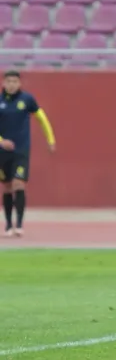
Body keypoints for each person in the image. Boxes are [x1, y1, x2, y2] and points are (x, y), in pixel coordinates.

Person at [0, 70, 56, 237]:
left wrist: (50, 139)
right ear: (4, 83)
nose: (11, 84)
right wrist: (1, 141)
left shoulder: (27, 100)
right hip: (2, 152)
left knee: (19, 183)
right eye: (8, 81)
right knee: (8, 186)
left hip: (21, 150)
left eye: (14, 81)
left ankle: (19, 224)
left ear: (19, 83)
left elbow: (42, 118)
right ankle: (8, 224)